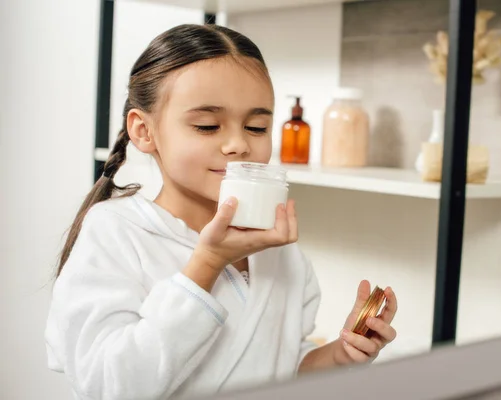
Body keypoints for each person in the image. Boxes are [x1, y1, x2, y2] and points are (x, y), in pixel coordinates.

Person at [45, 24, 397, 399]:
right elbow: (109, 387)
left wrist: (341, 355)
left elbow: (279, 365)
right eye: (207, 126)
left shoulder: (281, 254)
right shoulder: (114, 233)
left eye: (257, 127)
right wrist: (208, 263)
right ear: (144, 131)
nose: (237, 144)